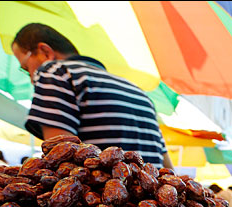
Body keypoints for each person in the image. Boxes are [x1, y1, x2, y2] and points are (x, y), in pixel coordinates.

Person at [11, 23, 174, 169]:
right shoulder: (139, 92)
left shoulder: (56, 72)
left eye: (26, 68)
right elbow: (168, 169)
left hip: (102, 201)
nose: (32, 79)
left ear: (45, 52)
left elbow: (60, 159)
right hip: (152, 202)